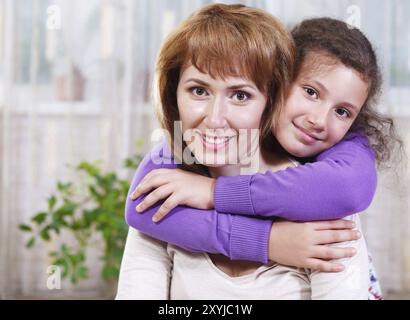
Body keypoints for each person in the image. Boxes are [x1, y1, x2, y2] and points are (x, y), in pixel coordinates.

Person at [117, 5, 400, 299]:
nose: (317, 119)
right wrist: (267, 241)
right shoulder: (170, 188)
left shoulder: (325, 200)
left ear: (271, 97)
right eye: (199, 90)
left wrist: (215, 192)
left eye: (240, 95)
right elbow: (142, 209)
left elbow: (350, 187)